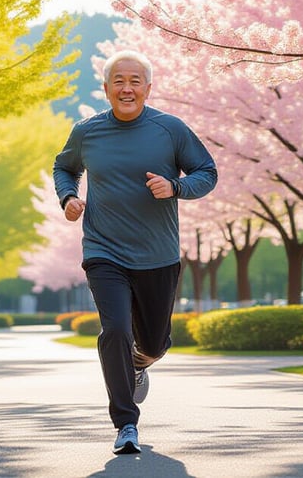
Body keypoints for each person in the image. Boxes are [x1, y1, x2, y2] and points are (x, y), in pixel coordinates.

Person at [52, 50, 218, 455]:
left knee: (155, 343)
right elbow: (64, 167)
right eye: (119, 81)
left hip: (157, 254)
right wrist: (69, 197)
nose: (127, 88)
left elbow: (206, 172)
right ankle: (126, 423)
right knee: (116, 331)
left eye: (135, 80)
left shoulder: (170, 129)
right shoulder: (87, 131)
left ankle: (140, 364)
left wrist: (176, 187)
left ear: (147, 87)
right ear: (106, 88)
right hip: (103, 250)